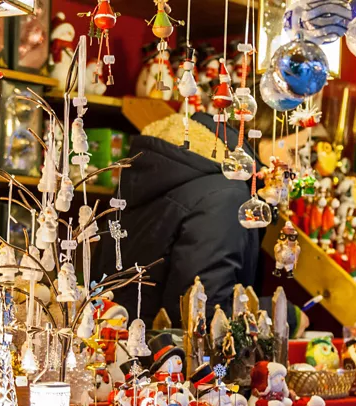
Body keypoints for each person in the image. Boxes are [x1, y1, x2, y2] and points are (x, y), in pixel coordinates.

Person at [92, 111, 308, 336]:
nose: (297, 165)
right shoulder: (225, 195)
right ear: (259, 137)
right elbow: (205, 314)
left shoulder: (174, 168)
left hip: (118, 343)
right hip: (169, 360)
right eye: (294, 151)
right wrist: (284, 318)